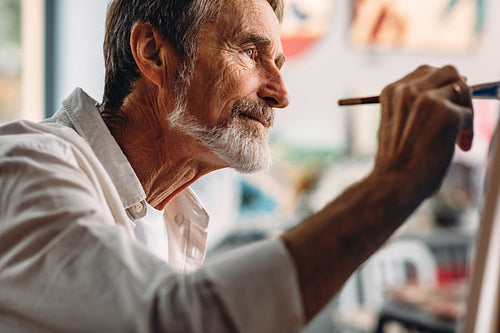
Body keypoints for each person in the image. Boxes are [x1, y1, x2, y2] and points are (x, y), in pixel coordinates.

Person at [0, 0, 473, 332]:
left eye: (279, 62)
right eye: (251, 53)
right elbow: (176, 322)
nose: (280, 93)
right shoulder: (29, 167)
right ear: (153, 52)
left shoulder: (169, 213)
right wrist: (391, 185)